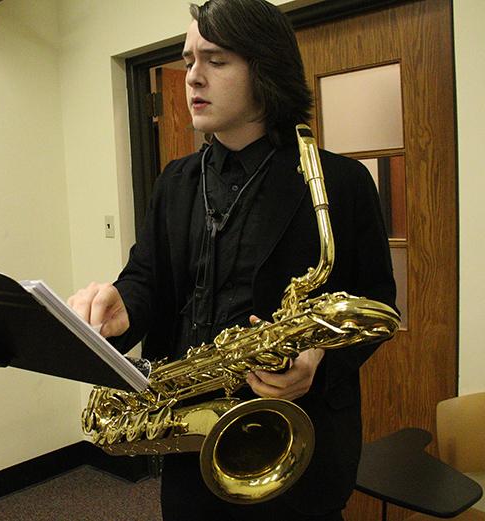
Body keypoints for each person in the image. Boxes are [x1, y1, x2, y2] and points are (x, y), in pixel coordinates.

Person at [68, 0, 396, 519]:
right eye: (188, 59)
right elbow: (148, 278)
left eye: (215, 60)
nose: (192, 77)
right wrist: (122, 302)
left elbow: (377, 304)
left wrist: (319, 358)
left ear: (265, 70)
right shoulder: (175, 181)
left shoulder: (343, 182)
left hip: (297, 448)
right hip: (189, 442)